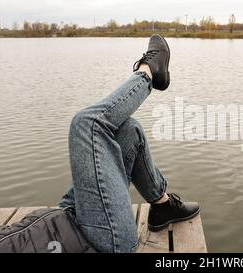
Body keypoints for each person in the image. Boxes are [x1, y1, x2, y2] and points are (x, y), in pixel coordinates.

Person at [58, 34, 200, 253]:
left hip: (64, 219)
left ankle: (162, 206)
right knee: (86, 123)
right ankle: (149, 72)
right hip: (102, 243)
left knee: (128, 130)